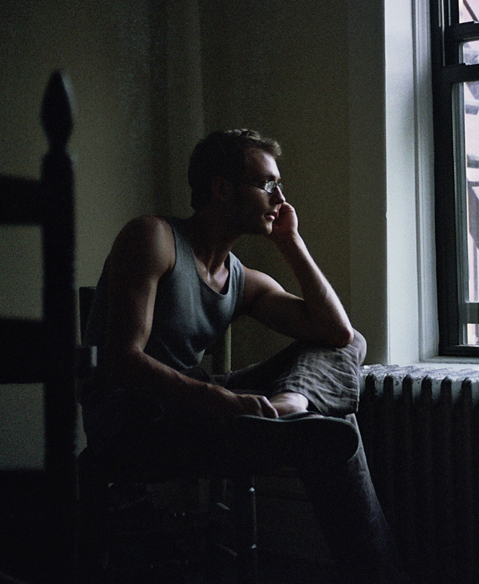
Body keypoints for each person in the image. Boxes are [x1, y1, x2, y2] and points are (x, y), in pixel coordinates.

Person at [81, 129, 404, 583]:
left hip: (201, 407)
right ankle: (379, 574)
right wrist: (222, 401)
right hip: (135, 420)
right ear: (221, 188)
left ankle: (290, 407)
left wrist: (291, 242)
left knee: (350, 346)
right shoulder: (154, 238)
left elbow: (338, 333)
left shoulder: (239, 278)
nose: (280, 199)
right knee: (333, 424)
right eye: (267, 184)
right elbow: (122, 361)